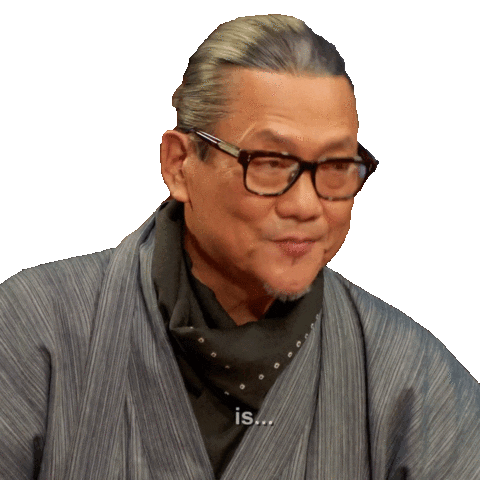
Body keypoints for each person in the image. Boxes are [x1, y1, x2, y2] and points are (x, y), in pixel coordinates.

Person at [1, 14, 478, 480]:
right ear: (179, 165)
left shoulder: (414, 376)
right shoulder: (35, 326)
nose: (306, 205)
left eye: (336, 165)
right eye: (270, 162)